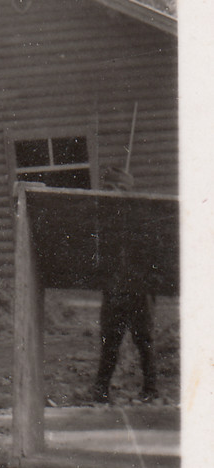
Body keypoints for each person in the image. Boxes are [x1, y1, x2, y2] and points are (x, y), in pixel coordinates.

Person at [92, 167, 158, 404]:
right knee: (110, 339)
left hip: (140, 288)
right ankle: (101, 388)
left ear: (130, 192)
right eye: (109, 189)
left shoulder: (141, 217)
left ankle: (152, 388)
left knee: (144, 339)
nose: (115, 194)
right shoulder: (102, 219)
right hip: (115, 288)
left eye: (121, 190)